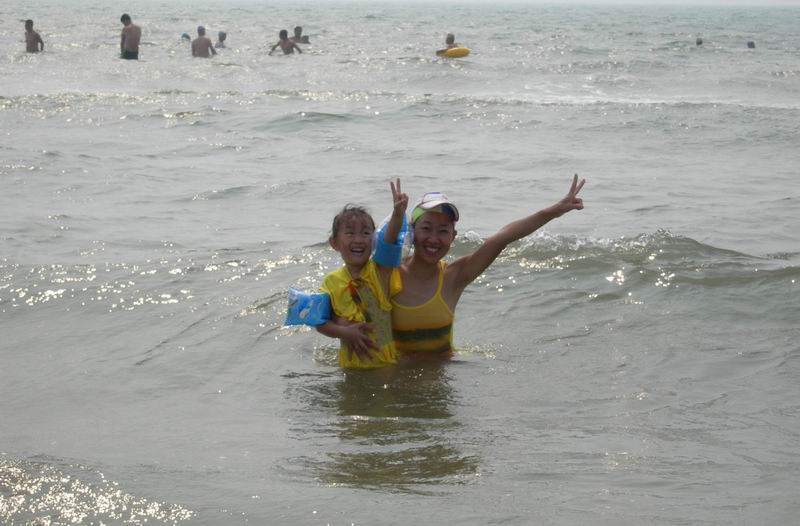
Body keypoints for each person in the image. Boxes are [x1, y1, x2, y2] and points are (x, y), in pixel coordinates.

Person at [390, 175, 586, 360]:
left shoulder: (454, 277)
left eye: (443, 231)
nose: (434, 239)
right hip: (399, 376)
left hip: (441, 375)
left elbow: (502, 237)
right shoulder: (389, 274)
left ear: (453, 237)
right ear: (412, 231)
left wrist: (553, 211)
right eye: (426, 228)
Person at [315, 180, 409, 368]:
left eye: (366, 233)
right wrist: (344, 332)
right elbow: (320, 322)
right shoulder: (331, 282)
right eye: (350, 233)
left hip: (385, 364)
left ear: (374, 241)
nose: (358, 239)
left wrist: (398, 214)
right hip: (349, 366)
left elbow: (390, 240)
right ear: (334, 243)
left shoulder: (380, 270)